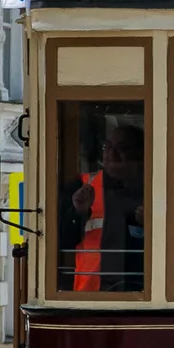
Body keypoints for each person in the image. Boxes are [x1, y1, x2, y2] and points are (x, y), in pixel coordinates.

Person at [61, 121, 145, 291]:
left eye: (122, 148)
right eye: (107, 147)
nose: (112, 154)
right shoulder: (82, 187)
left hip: (141, 295)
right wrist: (78, 212)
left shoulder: (155, 189)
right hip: (91, 295)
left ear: (139, 153)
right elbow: (61, 242)